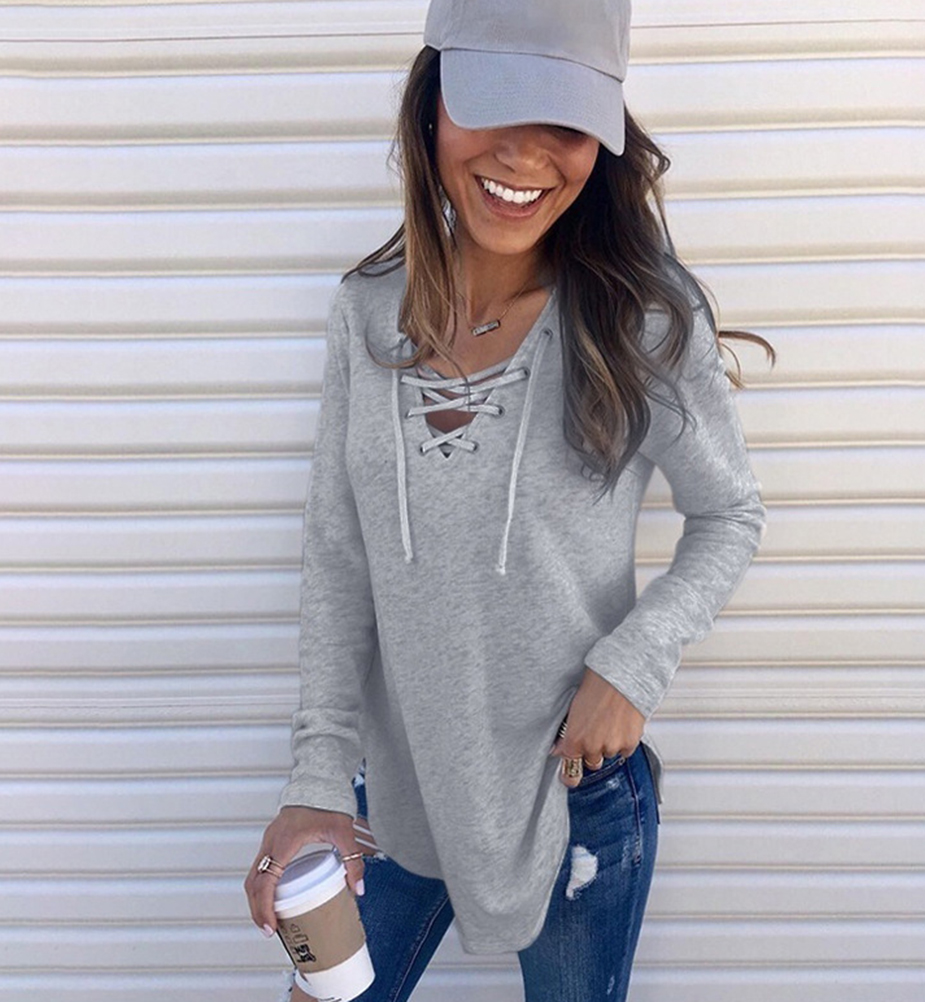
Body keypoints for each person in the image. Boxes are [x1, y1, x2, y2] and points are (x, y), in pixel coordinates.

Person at [245, 0, 768, 999]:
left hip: (574, 796)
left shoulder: (641, 321)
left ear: (604, 138)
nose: (525, 155)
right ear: (432, 102)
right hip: (397, 799)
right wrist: (317, 776)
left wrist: (631, 664)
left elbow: (730, 514)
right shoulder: (366, 316)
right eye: (493, 104)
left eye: (564, 119)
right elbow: (339, 560)